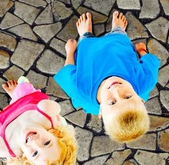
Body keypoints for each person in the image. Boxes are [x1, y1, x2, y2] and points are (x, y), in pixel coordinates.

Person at [54, 11, 160, 142]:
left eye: (112, 102)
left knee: (85, 41)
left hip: (88, 49)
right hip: (118, 43)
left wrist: (70, 52)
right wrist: (142, 52)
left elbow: (68, 70)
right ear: (141, 99)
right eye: (128, 97)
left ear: (101, 112)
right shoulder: (145, 82)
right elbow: (152, 63)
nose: (117, 90)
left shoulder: (81, 93)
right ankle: (117, 29)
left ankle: (86, 34)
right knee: (119, 35)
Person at [0, 77, 78, 165]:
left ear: (25, 159)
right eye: (47, 143)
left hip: (5, 120)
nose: (35, 142)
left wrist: (12, 156)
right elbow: (52, 106)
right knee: (22, 85)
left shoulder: (13, 149)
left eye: (35, 154)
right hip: (25, 101)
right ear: (55, 133)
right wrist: (55, 121)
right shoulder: (45, 116)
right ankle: (15, 95)